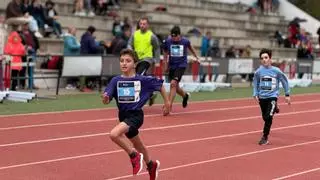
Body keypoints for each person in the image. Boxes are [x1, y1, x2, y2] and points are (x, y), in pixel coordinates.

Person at [102, 49, 170, 180]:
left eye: (128, 61)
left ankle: (134, 155)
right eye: (121, 61)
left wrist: (167, 102)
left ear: (135, 64)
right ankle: (151, 165)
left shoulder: (142, 80)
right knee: (140, 146)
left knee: (114, 134)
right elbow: (107, 97)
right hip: (123, 116)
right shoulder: (115, 80)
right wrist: (105, 98)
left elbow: (160, 85)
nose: (124, 63)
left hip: (136, 116)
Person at [253, 48, 291, 145]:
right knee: (265, 117)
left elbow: (284, 81)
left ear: (270, 59)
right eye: (262, 58)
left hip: (272, 97)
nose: (264, 60)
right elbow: (255, 82)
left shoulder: (276, 71)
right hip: (262, 97)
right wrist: (255, 93)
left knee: (268, 117)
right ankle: (275, 108)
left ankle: (265, 137)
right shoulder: (258, 72)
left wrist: (287, 94)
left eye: (266, 57)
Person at [163, 25, 199, 109]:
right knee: (176, 87)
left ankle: (169, 105)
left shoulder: (185, 41)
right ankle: (185, 96)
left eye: (175, 37)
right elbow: (165, 52)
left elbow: (191, 48)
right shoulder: (168, 41)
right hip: (172, 65)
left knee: (173, 84)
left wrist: (196, 56)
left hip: (181, 65)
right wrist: (166, 65)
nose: (173, 38)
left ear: (179, 35)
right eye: (171, 36)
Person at [127, 16, 161, 106]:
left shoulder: (152, 36)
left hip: (147, 59)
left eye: (144, 24)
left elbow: (157, 48)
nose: (142, 25)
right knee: (142, 79)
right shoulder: (135, 34)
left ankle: (136, 101)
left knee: (137, 76)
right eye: (141, 24)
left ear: (148, 25)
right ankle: (151, 93)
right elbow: (129, 44)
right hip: (137, 59)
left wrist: (157, 61)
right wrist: (130, 49)